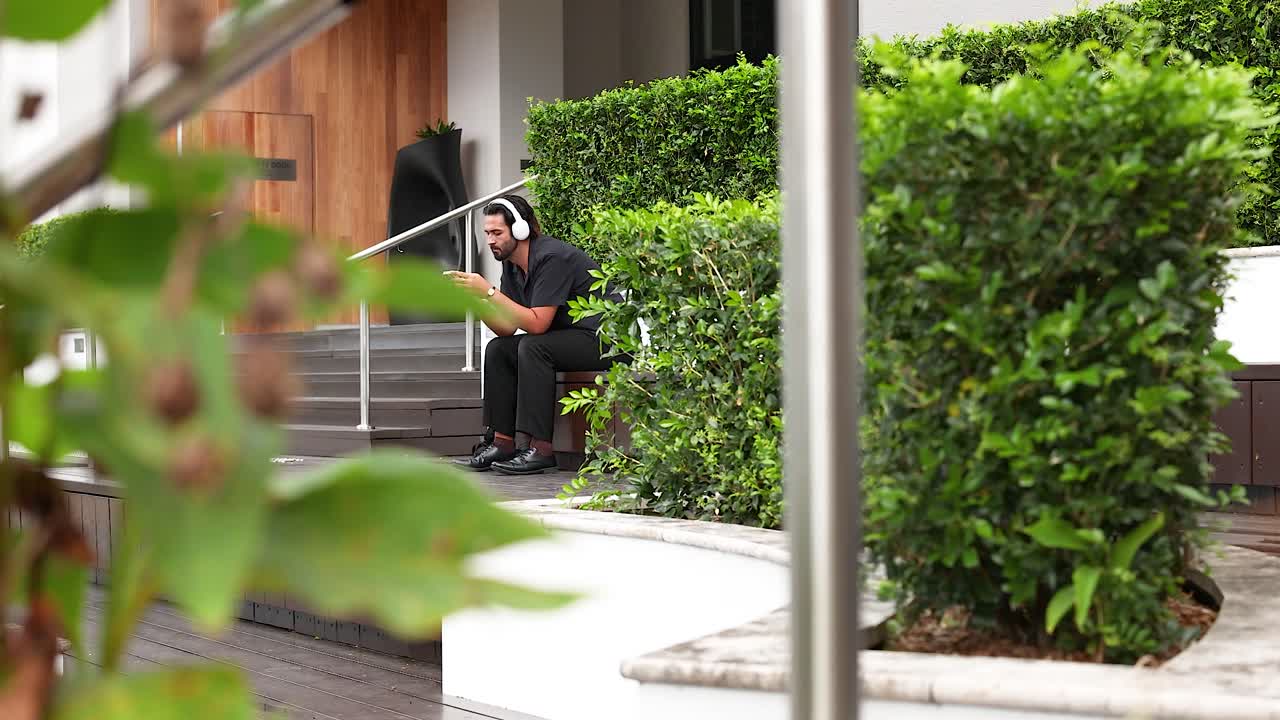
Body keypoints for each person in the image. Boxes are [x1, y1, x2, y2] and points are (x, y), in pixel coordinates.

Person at [446, 194, 623, 475]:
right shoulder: (512, 265)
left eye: (497, 233)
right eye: (487, 233)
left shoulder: (552, 258)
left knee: (533, 346)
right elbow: (506, 328)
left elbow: (538, 325)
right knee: (499, 349)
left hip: (606, 340)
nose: (490, 240)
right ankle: (502, 443)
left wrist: (489, 291)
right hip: (569, 337)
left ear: (521, 229)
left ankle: (541, 449)